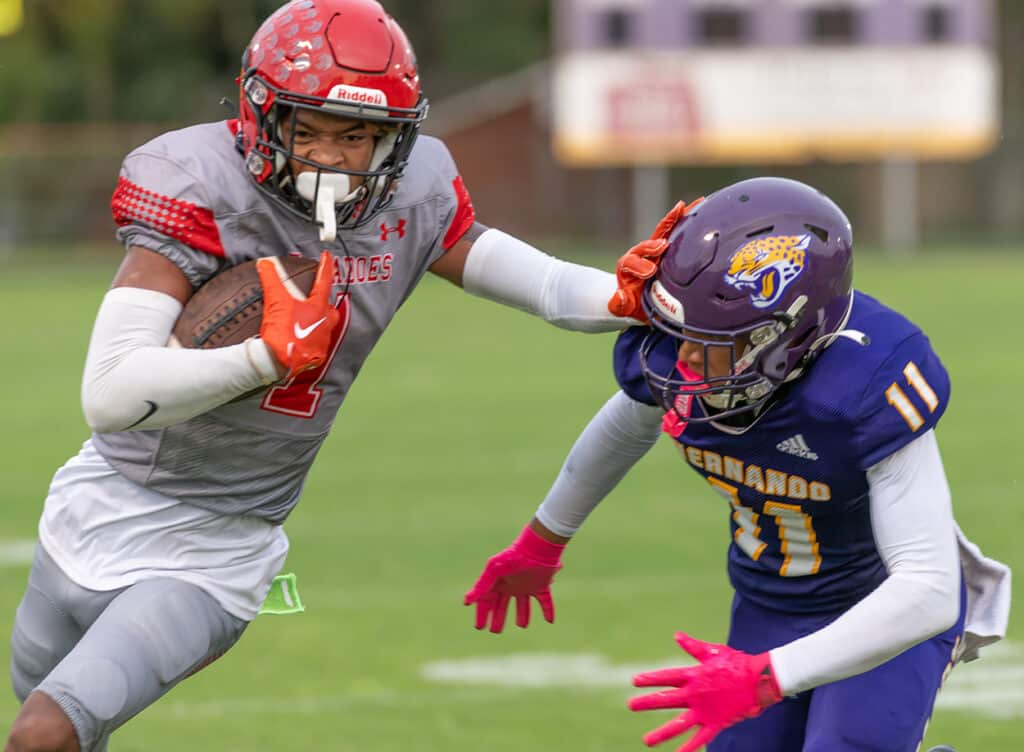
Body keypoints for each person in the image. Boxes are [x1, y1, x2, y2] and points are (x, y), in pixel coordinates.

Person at [3, 2, 638, 750]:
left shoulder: (413, 195)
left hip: (220, 549)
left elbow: (550, 285)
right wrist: (263, 358)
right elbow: (108, 395)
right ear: (262, 117)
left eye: (357, 136)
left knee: (42, 736)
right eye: (309, 131)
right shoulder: (203, 183)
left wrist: (645, 297)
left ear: (393, 138)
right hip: (95, 505)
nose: (332, 159)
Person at [465, 177, 1011, 752]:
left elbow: (926, 589)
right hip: (768, 602)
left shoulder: (860, 386)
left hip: (880, 603)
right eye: (681, 337)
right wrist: (543, 541)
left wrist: (765, 677)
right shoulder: (680, 347)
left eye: (712, 344)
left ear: (788, 336)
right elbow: (626, 424)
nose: (686, 361)